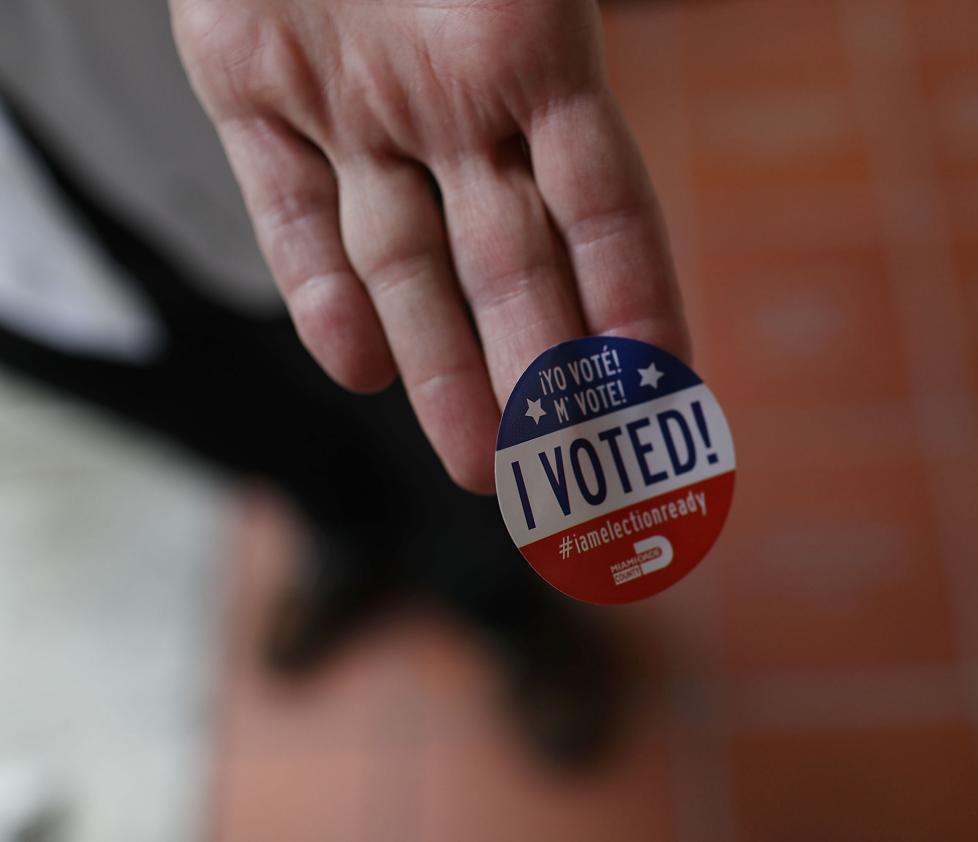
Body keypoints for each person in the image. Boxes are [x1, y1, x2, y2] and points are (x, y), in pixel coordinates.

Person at [0, 0, 689, 763]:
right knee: (233, 422)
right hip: (24, 262)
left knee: (421, 391)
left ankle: (510, 610)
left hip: (212, 102)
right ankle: (347, 538)